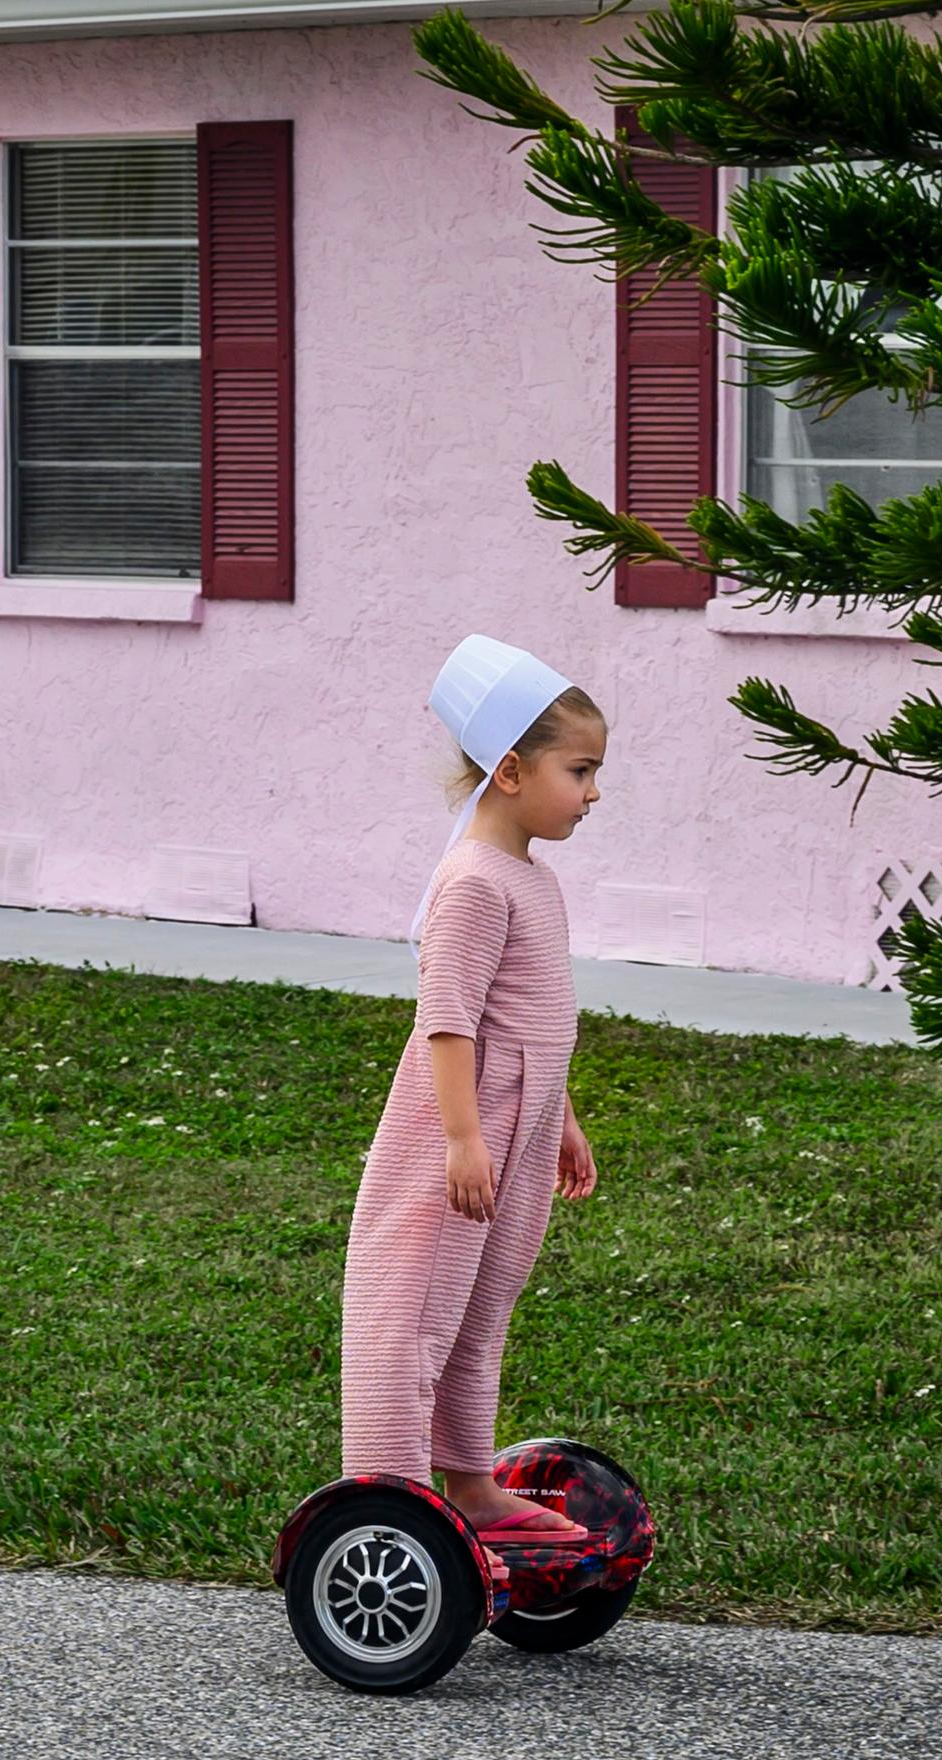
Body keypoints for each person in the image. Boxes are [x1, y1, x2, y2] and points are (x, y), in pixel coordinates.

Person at [339, 635, 605, 1545]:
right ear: (510, 770)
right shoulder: (472, 886)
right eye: (581, 770)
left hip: (518, 1134)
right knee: (411, 1304)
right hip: (463, 1131)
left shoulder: (535, 879)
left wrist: (560, 1119)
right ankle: (389, 1495)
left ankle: (467, 1481)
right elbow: (448, 1021)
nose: (594, 792)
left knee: (480, 1305)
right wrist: (460, 1137)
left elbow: (536, 1020)